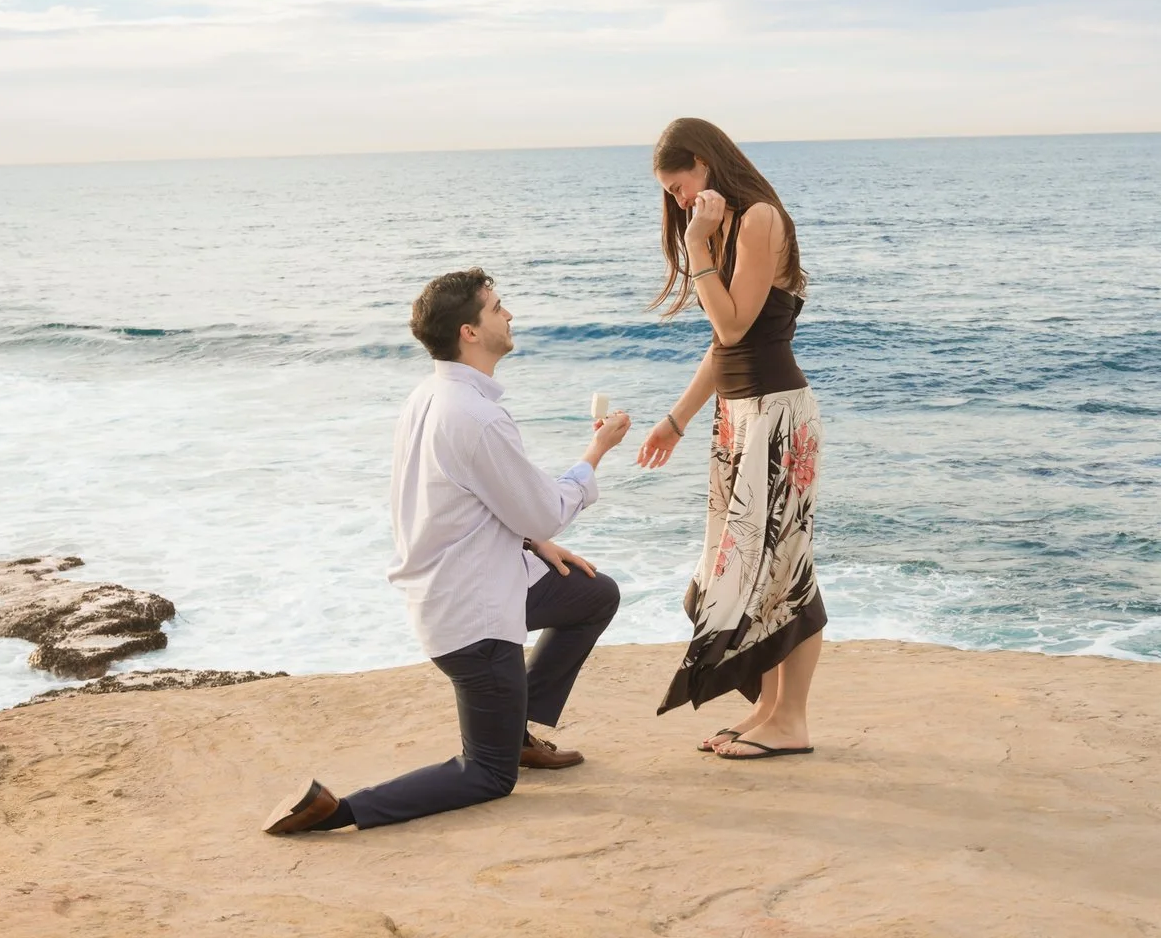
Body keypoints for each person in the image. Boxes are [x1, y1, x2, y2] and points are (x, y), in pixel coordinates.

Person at [265, 269, 632, 835]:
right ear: (470, 331)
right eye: (497, 307)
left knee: (592, 594)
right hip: (473, 616)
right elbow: (541, 507)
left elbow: (461, 499)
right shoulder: (475, 415)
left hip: (469, 584)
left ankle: (516, 731)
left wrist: (536, 542)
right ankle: (337, 811)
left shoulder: (430, 396)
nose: (509, 315)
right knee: (488, 774)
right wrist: (597, 450)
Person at [633, 118, 826, 759]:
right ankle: (769, 711)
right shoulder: (726, 227)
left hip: (776, 416)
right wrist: (676, 419)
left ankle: (790, 721)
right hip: (740, 416)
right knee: (743, 572)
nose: (679, 201)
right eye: (671, 194)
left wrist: (699, 248)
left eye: (680, 185)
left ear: (704, 163)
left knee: (783, 571)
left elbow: (736, 326)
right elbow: (721, 349)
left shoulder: (759, 219)